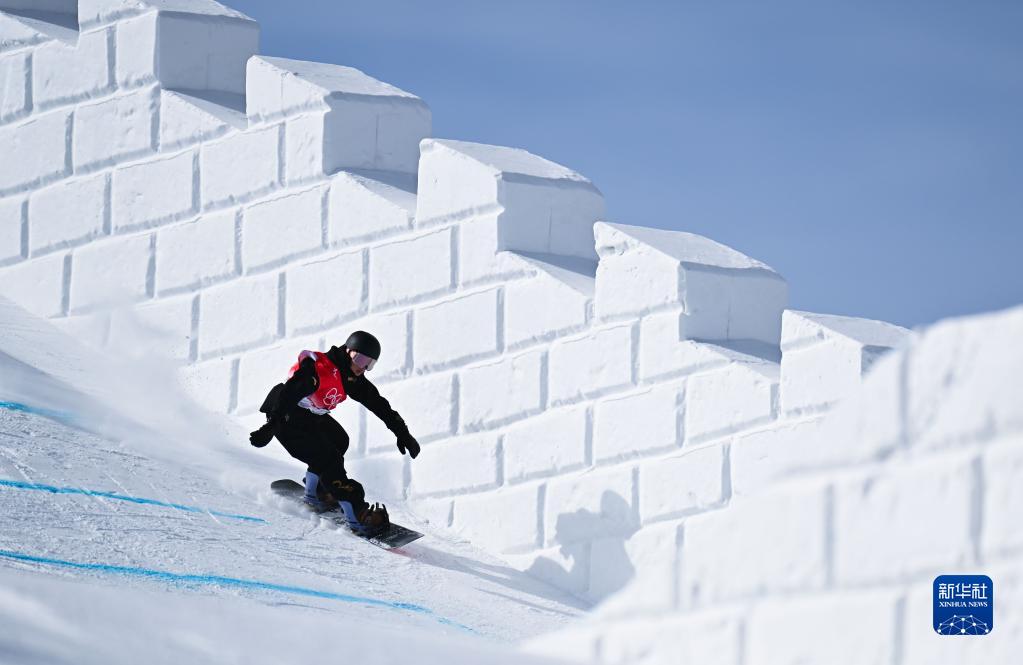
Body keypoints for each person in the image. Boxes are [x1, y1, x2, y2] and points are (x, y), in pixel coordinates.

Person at [248, 330, 420, 535]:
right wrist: (271, 426)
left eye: (369, 364)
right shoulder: (318, 369)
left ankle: (318, 492)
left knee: (339, 440)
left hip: (309, 416)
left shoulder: (351, 376)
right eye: (360, 359)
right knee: (328, 458)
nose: (362, 367)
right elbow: (290, 393)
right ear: (348, 352)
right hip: (286, 418)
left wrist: (403, 433)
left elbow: (378, 404)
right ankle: (357, 513)